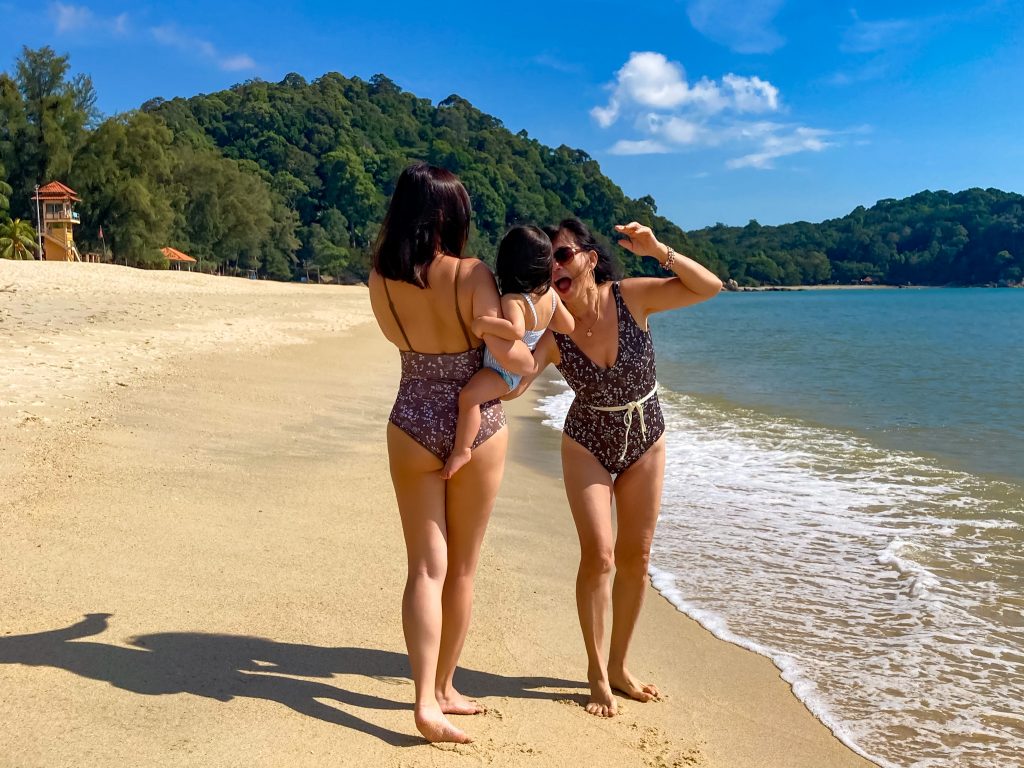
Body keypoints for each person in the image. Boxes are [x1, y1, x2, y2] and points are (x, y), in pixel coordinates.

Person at [525, 218, 721, 717]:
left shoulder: (630, 298)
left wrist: (659, 250)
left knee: (637, 555)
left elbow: (708, 287)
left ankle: (619, 665)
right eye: (547, 263)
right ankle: (595, 672)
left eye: (563, 254)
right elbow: (512, 380)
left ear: (590, 258)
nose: (555, 266)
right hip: (587, 441)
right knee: (600, 555)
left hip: (645, 438)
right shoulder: (553, 334)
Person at [368, 163, 534, 743]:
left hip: (410, 416)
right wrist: (529, 347)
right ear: (447, 214)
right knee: (461, 567)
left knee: (423, 567)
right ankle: (443, 688)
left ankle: (426, 699)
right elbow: (509, 361)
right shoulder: (471, 274)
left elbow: (401, 339)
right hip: (476, 424)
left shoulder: (380, 279)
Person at [441, 226, 575, 479]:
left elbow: (515, 329)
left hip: (501, 371)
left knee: (469, 398)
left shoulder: (514, 299)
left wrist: (482, 324)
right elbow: (569, 326)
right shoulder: (551, 297)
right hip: (512, 368)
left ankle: (463, 450)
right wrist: (544, 326)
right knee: (471, 397)